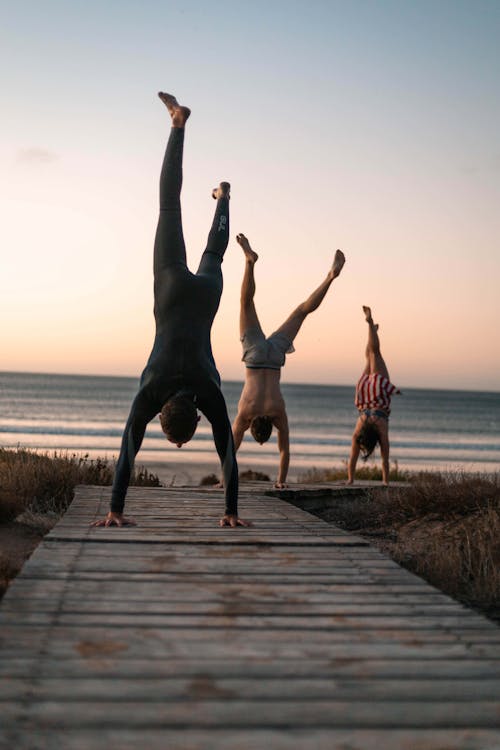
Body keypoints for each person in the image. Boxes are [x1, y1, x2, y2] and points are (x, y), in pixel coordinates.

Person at [93, 92, 249, 529]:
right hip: (171, 291)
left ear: (193, 414)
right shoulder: (151, 390)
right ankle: (177, 124)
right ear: (163, 413)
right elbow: (128, 449)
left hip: (203, 299)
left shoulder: (208, 392)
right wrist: (114, 509)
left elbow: (226, 452)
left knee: (214, 254)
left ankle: (224, 198)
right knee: (170, 207)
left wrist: (231, 511)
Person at [232, 233, 345, 488]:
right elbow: (230, 448)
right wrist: (224, 478)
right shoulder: (244, 415)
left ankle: (330, 277)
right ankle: (249, 262)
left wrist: (282, 480)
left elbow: (284, 451)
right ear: (251, 426)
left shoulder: (278, 413)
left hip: (274, 358)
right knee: (245, 303)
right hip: (255, 356)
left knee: (301, 312)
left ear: (269, 427)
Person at [347, 305, 401, 486]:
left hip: (377, 392)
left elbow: (385, 461)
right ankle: (371, 328)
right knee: (371, 355)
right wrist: (350, 479)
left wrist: (350, 481)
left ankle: (370, 326)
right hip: (364, 392)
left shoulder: (375, 431)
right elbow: (354, 458)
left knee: (374, 353)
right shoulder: (360, 431)